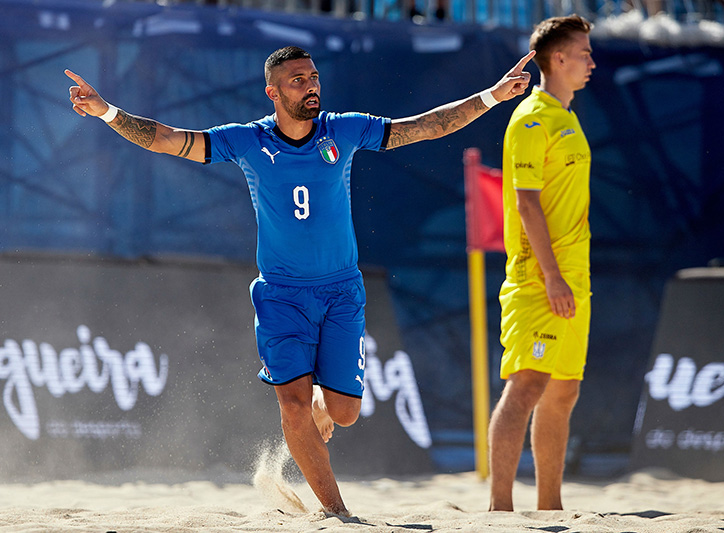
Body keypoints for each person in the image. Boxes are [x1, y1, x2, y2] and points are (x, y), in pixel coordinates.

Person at [66, 45, 533, 516]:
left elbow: (424, 126)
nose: (310, 86)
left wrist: (492, 97)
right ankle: (337, 513)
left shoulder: (343, 129)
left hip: (341, 291)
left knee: (346, 412)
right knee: (291, 403)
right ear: (272, 92)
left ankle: (323, 407)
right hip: (282, 295)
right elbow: (168, 138)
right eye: (297, 80)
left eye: (313, 77)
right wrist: (106, 110)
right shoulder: (247, 141)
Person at [488, 15, 596, 512]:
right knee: (527, 384)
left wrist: (566, 276)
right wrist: (551, 276)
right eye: (584, 53)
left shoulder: (567, 116)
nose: (591, 62)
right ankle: (500, 509)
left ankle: (549, 506)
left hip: (574, 276)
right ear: (557, 58)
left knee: (566, 391)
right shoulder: (531, 118)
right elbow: (526, 203)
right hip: (538, 277)